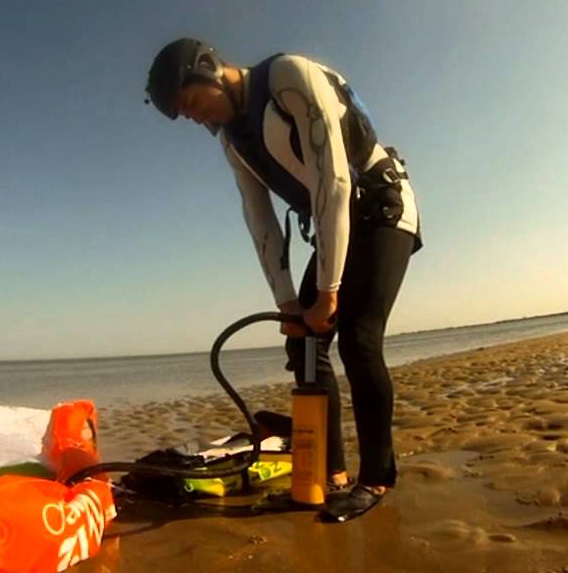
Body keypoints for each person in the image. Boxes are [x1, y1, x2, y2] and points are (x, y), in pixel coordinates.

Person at [145, 38, 422, 522]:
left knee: (357, 339)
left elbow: (334, 179)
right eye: (182, 115)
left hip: (381, 205)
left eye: (190, 103)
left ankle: (375, 478)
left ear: (210, 69)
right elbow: (260, 218)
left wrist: (328, 291)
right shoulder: (232, 140)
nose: (193, 117)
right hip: (337, 223)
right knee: (305, 346)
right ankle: (328, 475)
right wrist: (289, 302)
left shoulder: (289, 77)